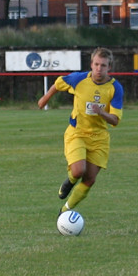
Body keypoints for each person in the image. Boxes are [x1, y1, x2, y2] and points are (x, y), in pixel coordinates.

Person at [37, 47, 124, 213]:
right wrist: (44, 99)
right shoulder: (78, 79)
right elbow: (58, 83)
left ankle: (65, 211)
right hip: (77, 132)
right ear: (91, 64)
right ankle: (69, 181)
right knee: (78, 171)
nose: (99, 69)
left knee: (90, 180)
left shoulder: (115, 88)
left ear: (109, 67)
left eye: (103, 65)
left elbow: (115, 120)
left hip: (99, 138)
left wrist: (102, 113)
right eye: (96, 64)